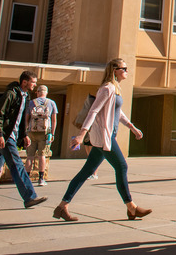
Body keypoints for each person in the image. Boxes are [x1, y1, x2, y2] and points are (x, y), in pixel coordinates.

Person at [53, 58, 150, 222]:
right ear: (114, 70)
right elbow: (93, 111)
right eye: (124, 68)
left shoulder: (115, 88)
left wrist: (132, 127)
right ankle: (131, 208)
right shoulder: (107, 88)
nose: (127, 71)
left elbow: (117, 113)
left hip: (106, 136)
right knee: (121, 166)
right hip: (104, 137)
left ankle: (62, 207)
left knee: (86, 171)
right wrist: (82, 135)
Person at [0, 71, 47, 211]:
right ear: (24, 82)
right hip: (5, 136)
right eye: (33, 82)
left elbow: (21, 119)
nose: (35, 85)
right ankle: (29, 197)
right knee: (17, 165)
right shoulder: (11, 94)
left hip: (11, 135)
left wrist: (24, 135)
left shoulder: (25, 96)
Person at [25, 85, 58, 186]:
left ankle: (26, 179)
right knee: (42, 155)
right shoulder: (51, 103)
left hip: (32, 132)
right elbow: (54, 120)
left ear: (37, 92)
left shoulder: (31, 103)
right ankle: (41, 178)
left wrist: (26, 132)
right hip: (45, 133)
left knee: (30, 156)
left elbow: (27, 118)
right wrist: (52, 133)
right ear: (46, 92)